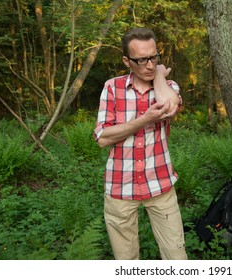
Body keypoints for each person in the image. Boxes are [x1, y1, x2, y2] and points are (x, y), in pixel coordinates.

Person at [93, 27, 187, 260]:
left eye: (154, 57)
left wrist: (158, 76)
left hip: (160, 184)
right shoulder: (112, 87)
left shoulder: (168, 86)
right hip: (120, 187)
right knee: (126, 261)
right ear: (127, 61)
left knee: (176, 256)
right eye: (141, 60)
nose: (149, 65)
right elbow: (103, 138)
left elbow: (170, 106)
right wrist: (144, 120)